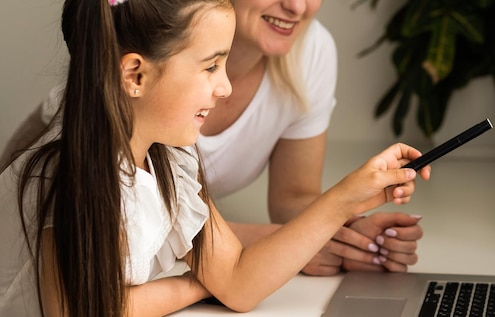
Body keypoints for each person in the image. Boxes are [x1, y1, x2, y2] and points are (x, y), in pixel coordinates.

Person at [0, 0, 431, 315]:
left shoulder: (169, 161)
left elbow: (238, 281)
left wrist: (347, 197)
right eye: (210, 67)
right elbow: (86, 309)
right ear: (135, 75)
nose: (224, 87)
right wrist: (196, 287)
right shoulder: (71, 172)